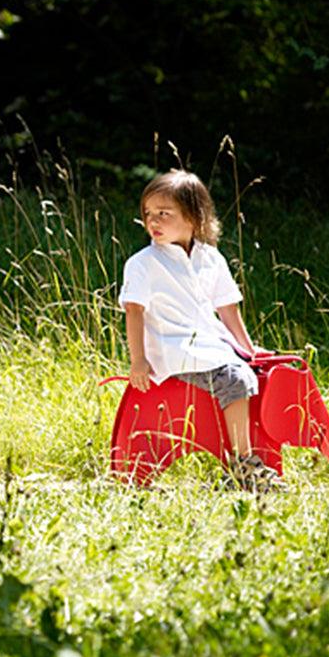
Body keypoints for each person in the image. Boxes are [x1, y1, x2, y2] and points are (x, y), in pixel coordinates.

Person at [120, 169, 277, 491]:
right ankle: (244, 467)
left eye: (165, 213)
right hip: (173, 351)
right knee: (235, 378)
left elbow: (227, 309)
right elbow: (134, 311)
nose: (153, 221)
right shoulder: (143, 262)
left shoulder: (211, 258)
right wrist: (138, 360)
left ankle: (253, 456)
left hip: (210, 346)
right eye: (148, 214)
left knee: (256, 372)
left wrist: (248, 351)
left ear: (194, 216)